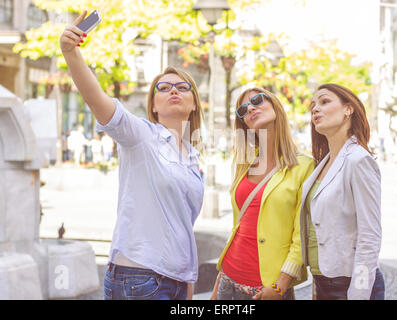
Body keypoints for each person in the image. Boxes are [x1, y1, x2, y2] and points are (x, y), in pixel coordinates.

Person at [60, 11, 204, 300]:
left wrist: (187, 284)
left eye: (181, 87)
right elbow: (96, 98)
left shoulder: (192, 157)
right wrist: (71, 53)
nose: (173, 90)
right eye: (163, 88)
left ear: (193, 104)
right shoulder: (140, 136)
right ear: (153, 105)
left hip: (176, 280)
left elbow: (181, 224)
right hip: (138, 279)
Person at [210, 87, 315, 300]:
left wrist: (280, 286)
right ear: (245, 125)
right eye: (242, 110)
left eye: (257, 100)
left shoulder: (304, 166)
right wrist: (218, 283)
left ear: (274, 104)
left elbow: (301, 235)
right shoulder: (246, 164)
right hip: (228, 279)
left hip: (267, 288)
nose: (250, 108)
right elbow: (239, 226)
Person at [300, 83, 385, 300]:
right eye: (313, 105)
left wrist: (359, 292)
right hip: (323, 281)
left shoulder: (359, 160)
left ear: (348, 109)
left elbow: (370, 234)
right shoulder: (324, 162)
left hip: (350, 285)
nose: (315, 109)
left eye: (325, 101)